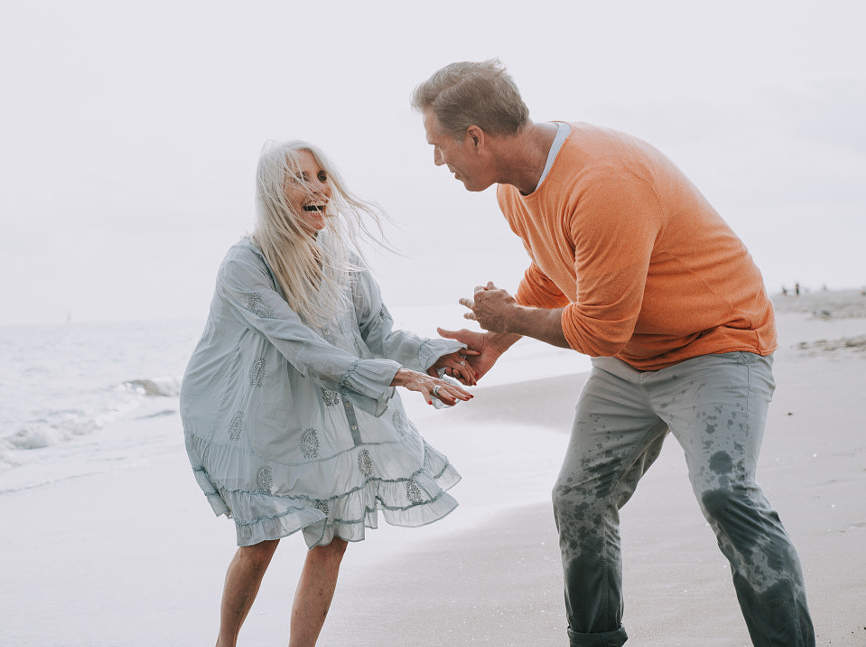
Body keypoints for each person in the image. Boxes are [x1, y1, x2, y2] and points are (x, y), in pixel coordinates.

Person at [412, 60, 814, 646]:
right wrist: (497, 341)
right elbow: (556, 270)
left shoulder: (604, 182)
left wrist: (513, 317)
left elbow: (600, 331)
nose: (436, 161)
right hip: (632, 363)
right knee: (577, 499)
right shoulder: (514, 188)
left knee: (727, 494)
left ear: (475, 137)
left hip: (717, 345)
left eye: (438, 146)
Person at [181, 140, 475, 647]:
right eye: (301, 178)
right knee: (262, 538)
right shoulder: (245, 262)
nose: (319, 188)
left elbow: (377, 333)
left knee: (333, 540)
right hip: (261, 416)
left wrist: (435, 354)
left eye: (322, 176)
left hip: (324, 412)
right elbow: (302, 348)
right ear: (273, 192)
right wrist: (399, 378)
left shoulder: (342, 259)